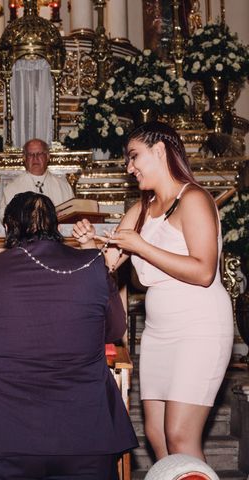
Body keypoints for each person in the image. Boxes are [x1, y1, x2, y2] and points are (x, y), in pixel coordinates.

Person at [72, 121, 233, 462]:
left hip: (199, 328)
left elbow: (204, 271)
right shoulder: (141, 210)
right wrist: (89, 245)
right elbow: (108, 263)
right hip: (159, 334)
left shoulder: (194, 199)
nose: (129, 168)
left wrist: (142, 247)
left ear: (159, 151)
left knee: (180, 435)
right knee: (158, 438)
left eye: (134, 157)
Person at [0, 191, 138, 480]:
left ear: (7, 229)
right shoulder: (91, 265)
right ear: (57, 228)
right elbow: (114, 330)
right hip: (85, 434)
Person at [0, 138, 74, 218]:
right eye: (31, 154)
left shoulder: (64, 187)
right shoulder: (12, 189)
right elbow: (5, 217)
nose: (35, 158)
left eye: (40, 154)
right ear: (24, 158)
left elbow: (72, 215)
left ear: (48, 156)